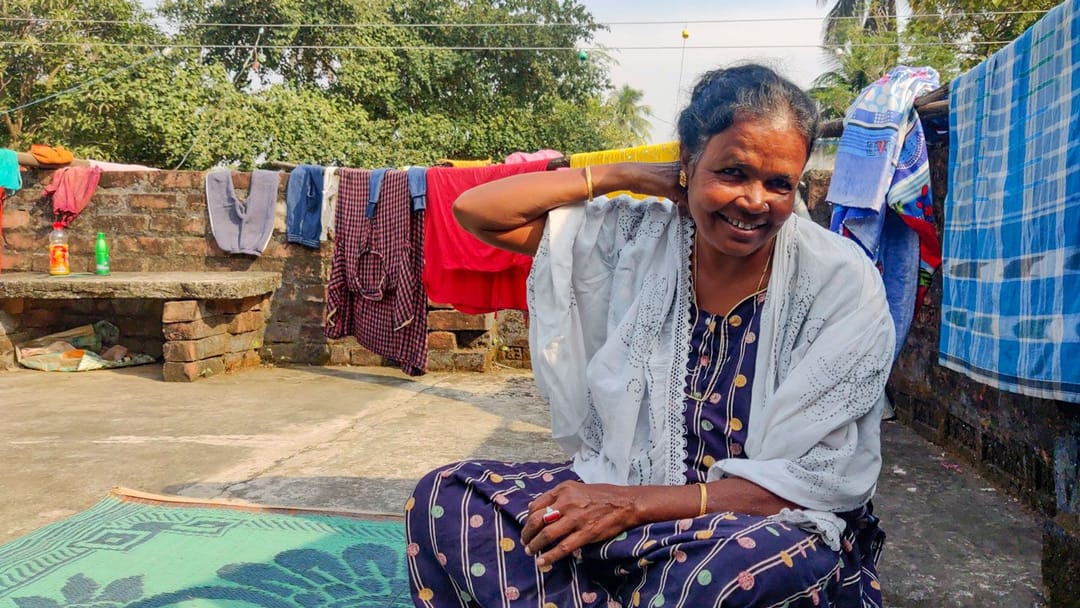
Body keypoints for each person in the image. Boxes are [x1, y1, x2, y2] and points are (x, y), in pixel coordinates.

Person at [404, 63, 895, 608]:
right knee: (444, 498)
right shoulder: (636, 239)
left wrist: (631, 505)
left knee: (734, 573)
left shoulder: (841, 282)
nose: (756, 201)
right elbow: (476, 212)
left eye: (779, 183)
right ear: (686, 162)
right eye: (732, 173)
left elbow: (818, 481)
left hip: (745, 524)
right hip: (619, 488)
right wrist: (627, 176)